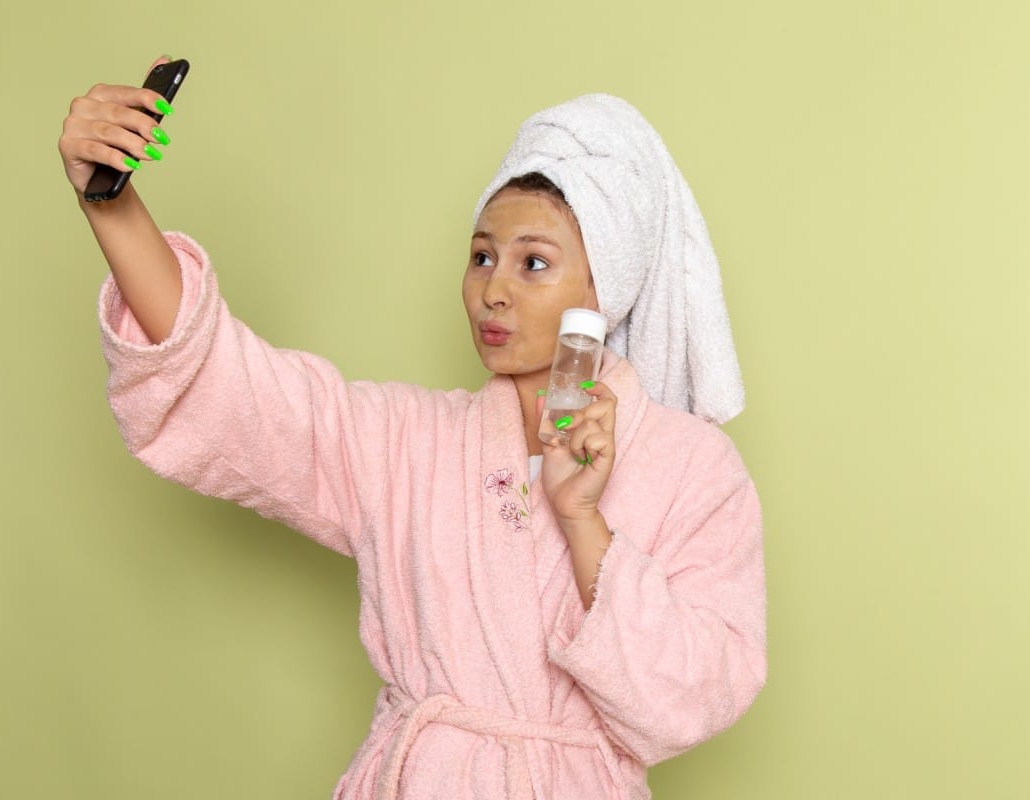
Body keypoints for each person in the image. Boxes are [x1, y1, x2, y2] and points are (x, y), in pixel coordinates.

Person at [58, 57, 767, 800]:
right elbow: (234, 390)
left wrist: (582, 519)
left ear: (606, 290)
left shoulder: (693, 469)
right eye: (482, 255)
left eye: (534, 263)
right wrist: (112, 207)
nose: (493, 290)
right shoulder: (405, 442)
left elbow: (699, 692)